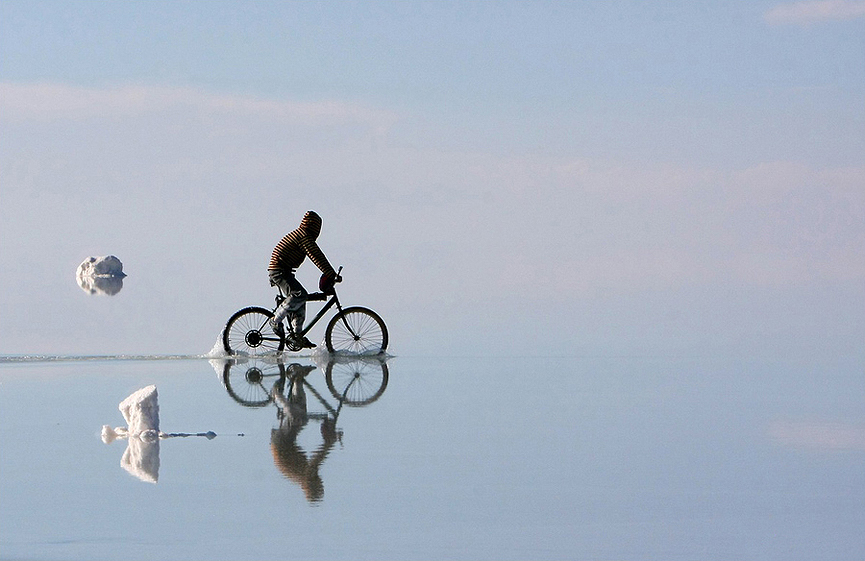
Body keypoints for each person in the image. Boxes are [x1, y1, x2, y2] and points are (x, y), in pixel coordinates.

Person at [267, 211, 340, 348]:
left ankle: (297, 336)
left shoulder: (301, 234)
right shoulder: (303, 236)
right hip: (279, 271)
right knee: (299, 294)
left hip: (284, 270)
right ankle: (276, 320)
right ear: (314, 227)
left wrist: (329, 272)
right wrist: (330, 273)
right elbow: (316, 255)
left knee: (302, 298)